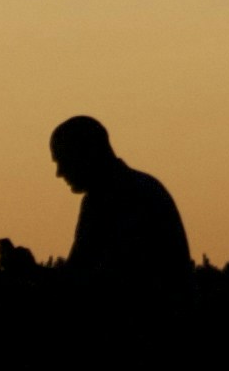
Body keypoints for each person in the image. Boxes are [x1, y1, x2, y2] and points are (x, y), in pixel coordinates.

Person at [50, 115, 190, 290]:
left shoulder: (123, 198)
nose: (59, 172)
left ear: (86, 154)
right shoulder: (130, 190)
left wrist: (33, 274)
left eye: (64, 161)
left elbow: (95, 282)